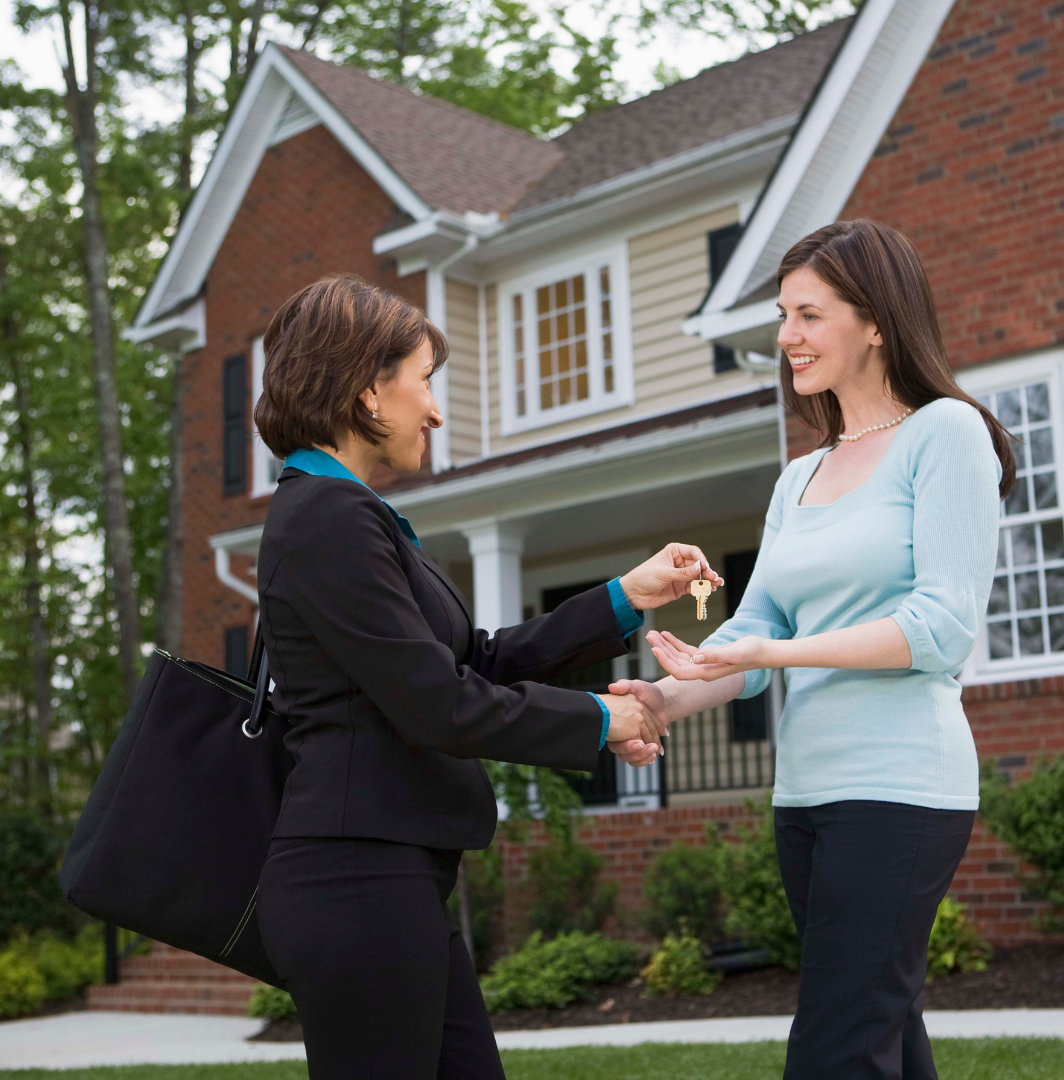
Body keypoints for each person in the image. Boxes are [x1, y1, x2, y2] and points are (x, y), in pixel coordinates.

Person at [249, 273, 721, 1079]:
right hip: (358, 881)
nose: (434, 410)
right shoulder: (327, 519)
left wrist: (624, 596)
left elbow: (476, 660)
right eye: (424, 381)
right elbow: (440, 705)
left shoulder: (346, 514)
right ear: (367, 388)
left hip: (394, 879)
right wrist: (604, 722)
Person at [605, 220, 1017, 1079]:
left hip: (902, 788)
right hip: (807, 797)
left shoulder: (945, 434)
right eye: (782, 315)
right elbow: (750, 638)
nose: (787, 336)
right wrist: (660, 697)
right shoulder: (799, 477)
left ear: (876, 321)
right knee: (882, 1037)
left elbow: (938, 631)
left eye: (808, 313)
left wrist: (773, 658)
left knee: (835, 1050)